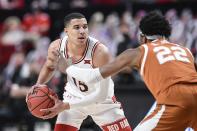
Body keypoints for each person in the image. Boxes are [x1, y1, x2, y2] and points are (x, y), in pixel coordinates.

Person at [65, 11, 197, 131]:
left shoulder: (138, 51)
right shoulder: (185, 50)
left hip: (175, 100)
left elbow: (96, 75)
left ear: (142, 37)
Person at [29, 12, 132, 131]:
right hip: (74, 96)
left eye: (85, 26)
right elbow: (49, 67)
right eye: (77, 27)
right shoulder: (56, 47)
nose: (82, 30)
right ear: (66, 31)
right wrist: (38, 85)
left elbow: (101, 95)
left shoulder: (100, 52)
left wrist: (65, 105)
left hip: (101, 102)